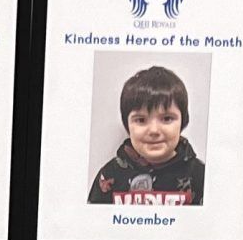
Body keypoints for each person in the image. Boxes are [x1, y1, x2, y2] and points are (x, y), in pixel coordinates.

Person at [87, 63, 205, 206]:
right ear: (127, 125)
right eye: (141, 120)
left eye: (167, 119)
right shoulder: (111, 174)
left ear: (183, 121)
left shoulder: (200, 176)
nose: (154, 130)